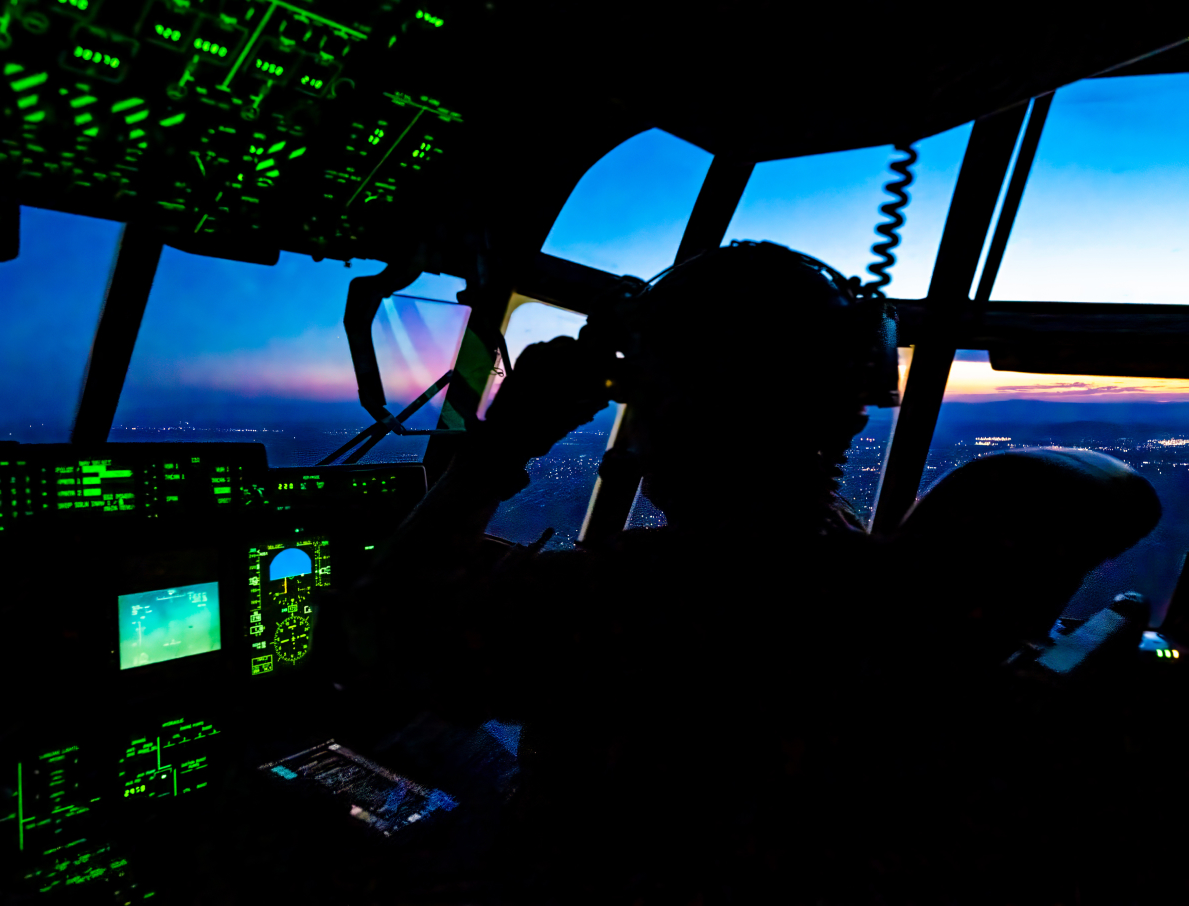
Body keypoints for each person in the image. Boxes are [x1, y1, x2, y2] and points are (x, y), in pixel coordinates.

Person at [331, 241, 1165, 903]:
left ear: (701, 413)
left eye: (648, 400)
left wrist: (500, 447)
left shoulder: (640, 594)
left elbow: (375, 631)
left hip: (583, 870)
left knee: (359, 772)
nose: (637, 430)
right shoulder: (859, 568)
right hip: (747, 863)